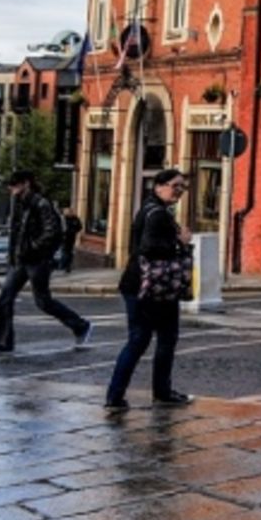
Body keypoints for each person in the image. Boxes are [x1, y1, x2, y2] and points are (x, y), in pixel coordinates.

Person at [105, 168, 191, 410]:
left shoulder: (148, 209)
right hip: (154, 288)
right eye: (176, 186)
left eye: (183, 187)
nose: (180, 192)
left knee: (141, 339)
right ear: (158, 187)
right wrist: (180, 244)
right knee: (161, 338)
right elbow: (149, 247)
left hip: (138, 284)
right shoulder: (158, 215)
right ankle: (160, 392)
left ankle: (116, 395)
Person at [0, 170, 92, 354]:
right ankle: (3, 343)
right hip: (21, 260)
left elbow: (52, 232)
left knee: (43, 302)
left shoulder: (41, 203)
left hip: (37, 260)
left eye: (14, 184)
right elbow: (16, 232)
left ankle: (80, 325)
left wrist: (33, 248)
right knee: (5, 298)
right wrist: (15, 255)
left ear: (26, 184)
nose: (11, 188)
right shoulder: (18, 204)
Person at [55, 205, 83, 273]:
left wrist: (73, 231)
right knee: (64, 251)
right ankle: (62, 266)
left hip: (71, 237)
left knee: (69, 252)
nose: (68, 213)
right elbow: (58, 227)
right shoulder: (62, 219)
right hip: (63, 237)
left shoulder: (75, 218)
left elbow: (79, 227)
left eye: (69, 212)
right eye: (66, 212)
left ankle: (67, 266)